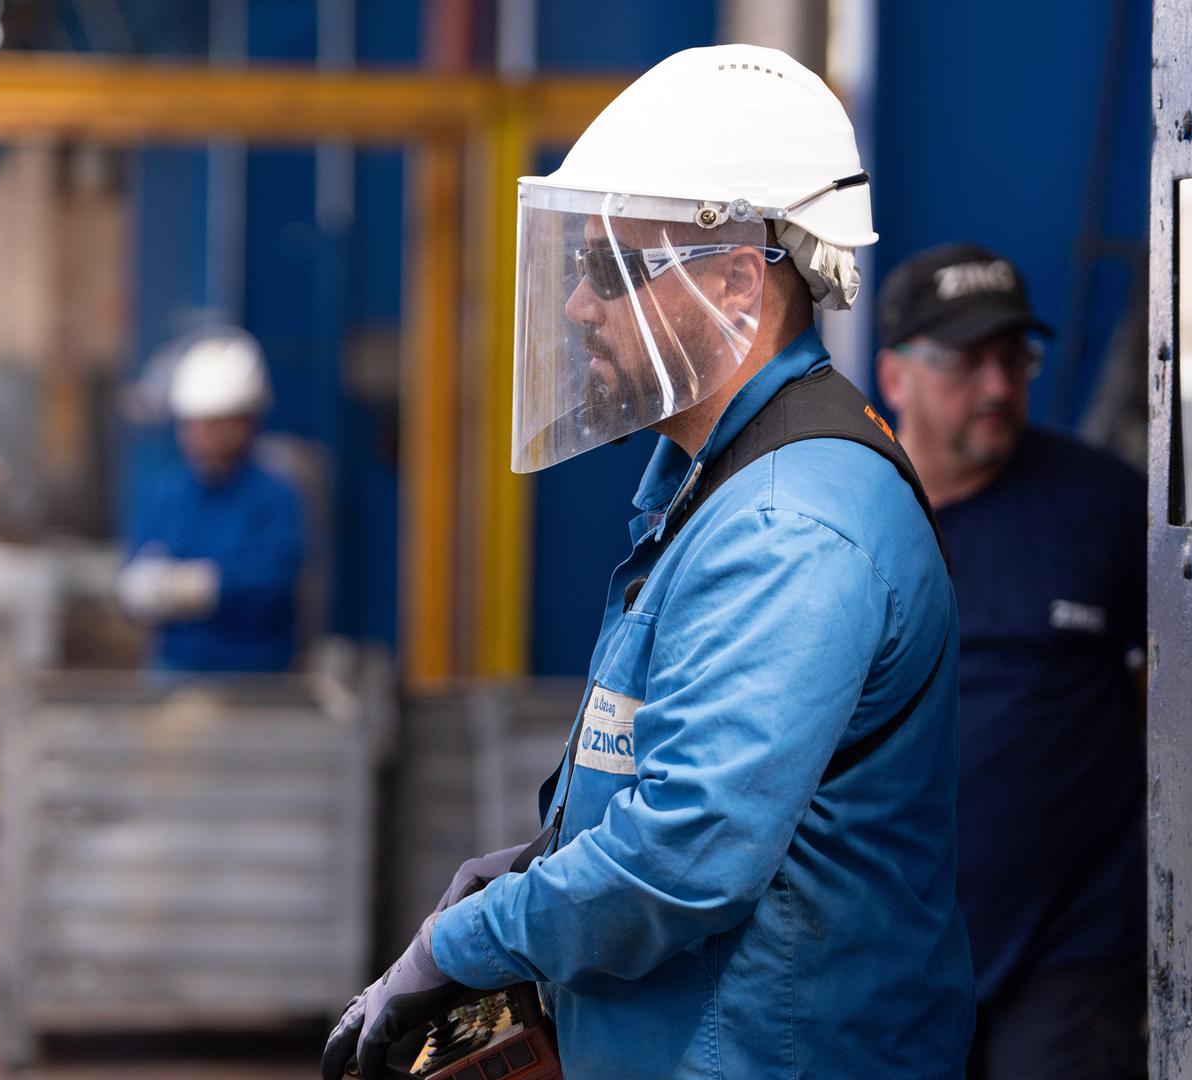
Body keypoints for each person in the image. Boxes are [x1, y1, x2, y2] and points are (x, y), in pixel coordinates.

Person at [323, 44, 973, 1079]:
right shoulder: (716, 488)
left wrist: (462, 943)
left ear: (730, 284)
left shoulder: (786, 525)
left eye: (610, 271)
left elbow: (684, 858)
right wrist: (532, 873)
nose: (579, 307)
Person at [872, 243, 1148, 1080]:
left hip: (1071, 958)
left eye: (1013, 359)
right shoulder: (847, 512)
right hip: (890, 953)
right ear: (895, 377)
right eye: (966, 362)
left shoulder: (1102, 505)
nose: (997, 387)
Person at [118, 327, 305, 673]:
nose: (207, 437)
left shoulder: (275, 495)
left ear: (249, 422)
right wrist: (139, 589)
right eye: (198, 425)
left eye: (220, 424)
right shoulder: (165, 494)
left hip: (260, 679)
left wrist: (204, 586)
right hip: (175, 671)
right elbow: (137, 564)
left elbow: (275, 578)